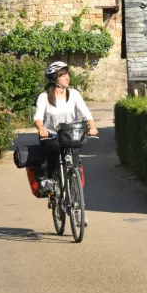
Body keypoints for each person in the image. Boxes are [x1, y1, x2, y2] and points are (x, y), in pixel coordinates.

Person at [33, 61, 98, 194]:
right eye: (63, 75)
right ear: (54, 78)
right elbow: (38, 117)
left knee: (74, 157)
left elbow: (85, 112)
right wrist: (41, 128)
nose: (67, 77)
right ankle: (50, 179)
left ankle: (75, 191)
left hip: (70, 135)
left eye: (67, 74)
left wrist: (92, 126)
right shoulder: (44, 97)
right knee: (55, 151)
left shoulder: (73, 94)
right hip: (51, 136)